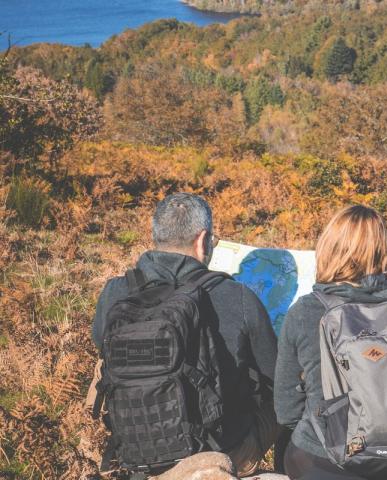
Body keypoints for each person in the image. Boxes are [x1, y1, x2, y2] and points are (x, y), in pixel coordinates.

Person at [91, 193, 279, 478]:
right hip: (221, 451)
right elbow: (273, 376)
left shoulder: (115, 292)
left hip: (136, 451)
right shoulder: (237, 296)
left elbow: (100, 347)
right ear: (203, 240)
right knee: (285, 400)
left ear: (157, 236)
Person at [274, 205, 387, 480]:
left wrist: (318, 427)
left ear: (328, 247)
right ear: (384, 249)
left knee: (288, 440)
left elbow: (285, 409)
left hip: (323, 461)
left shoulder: (306, 311)